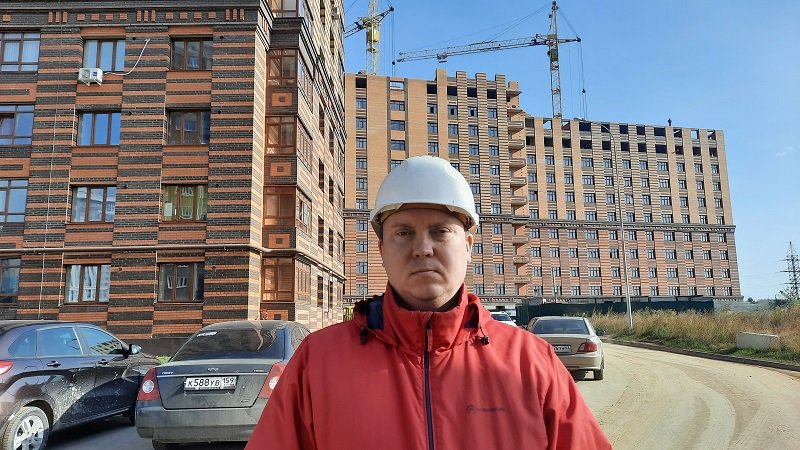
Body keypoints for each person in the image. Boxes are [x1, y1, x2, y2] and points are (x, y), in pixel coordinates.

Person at [246, 156, 611, 450]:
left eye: (440, 231)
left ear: (467, 246)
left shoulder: (531, 362)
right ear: (382, 250)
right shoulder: (318, 361)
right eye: (404, 233)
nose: (422, 248)